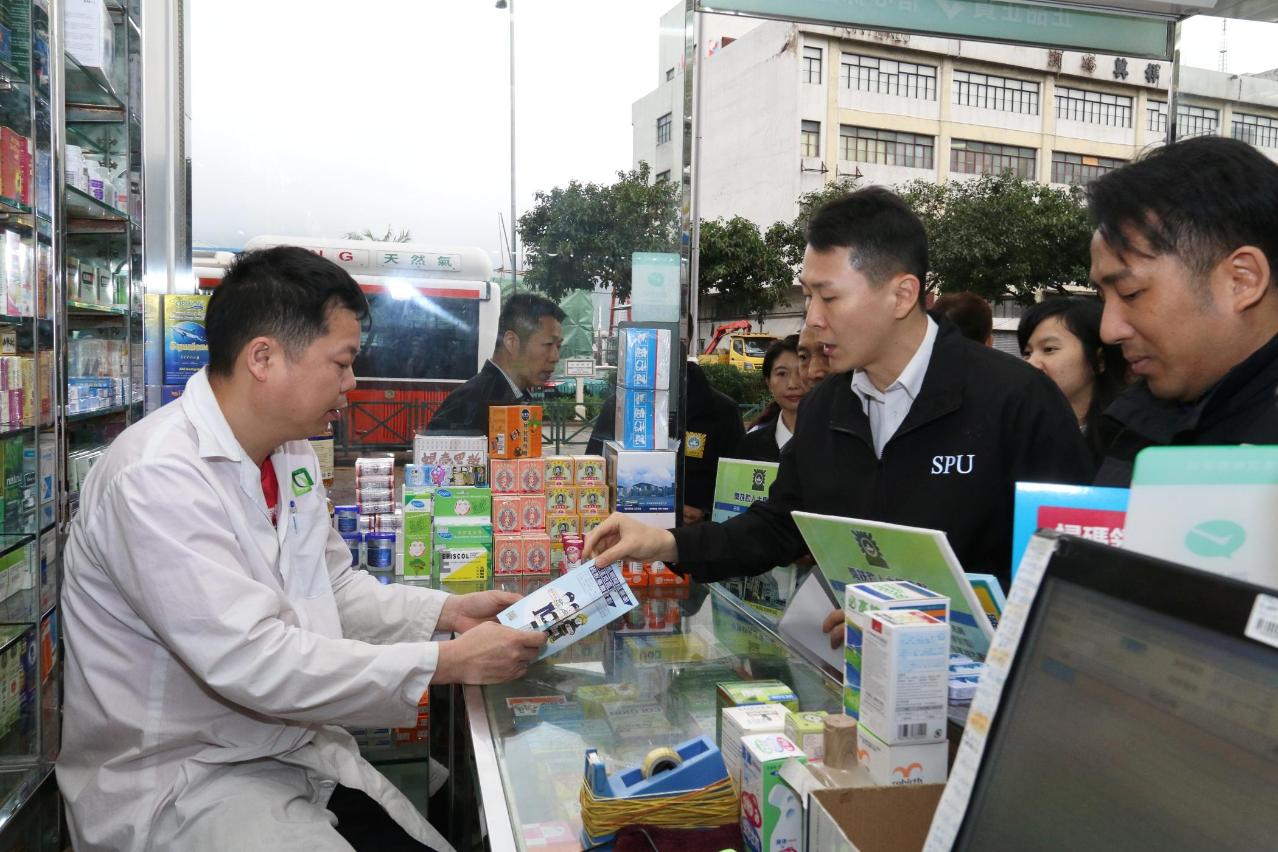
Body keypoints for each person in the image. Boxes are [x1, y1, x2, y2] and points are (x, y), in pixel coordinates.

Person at [57, 247, 546, 852]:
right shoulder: (155, 477)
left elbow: (332, 588)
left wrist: (448, 613)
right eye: (341, 363)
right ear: (263, 358)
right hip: (185, 781)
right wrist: (444, 662)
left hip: (285, 751)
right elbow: (254, 660)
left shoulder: (288, 454)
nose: (352, 384)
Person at [584, 187, 1091, 600]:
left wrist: (929, 622)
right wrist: (666, 543)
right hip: (859, 668)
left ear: (902, 295)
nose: (813, 319)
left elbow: (1068, 573)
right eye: (809, 296)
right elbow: (779, 526)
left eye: (828, 297)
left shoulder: (1016, 401)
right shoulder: (827, 406)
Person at [1088, 136, 1278, 486]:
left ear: (1242, 280)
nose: (1109, 330)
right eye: (1103, 297)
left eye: (1131, 293)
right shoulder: (1125, 427)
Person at [586, 359, 744, 524]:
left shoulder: (723, 411)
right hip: (627, 528)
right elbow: (593, 471)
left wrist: (705, 511)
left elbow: (736, 484)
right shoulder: (619, 406)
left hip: (696, 533)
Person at [426, 293, 565, 433]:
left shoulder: (516, 397)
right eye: (548, 344)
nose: (555, 357)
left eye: (558, 346)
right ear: (511, 342)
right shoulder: (468, 405)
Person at [1018, 297, 1127, 463]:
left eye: (1049, 349)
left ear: (1099, 360)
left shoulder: (1132, 435)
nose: (1032, 363)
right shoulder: (1017, 431)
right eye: (1027, 353)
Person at [735, 335, 807, 463]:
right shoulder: (750, 446)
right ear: (768, 382)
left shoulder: (838, 443)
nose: (793, 384)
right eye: (782, 373)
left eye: (801, 371)